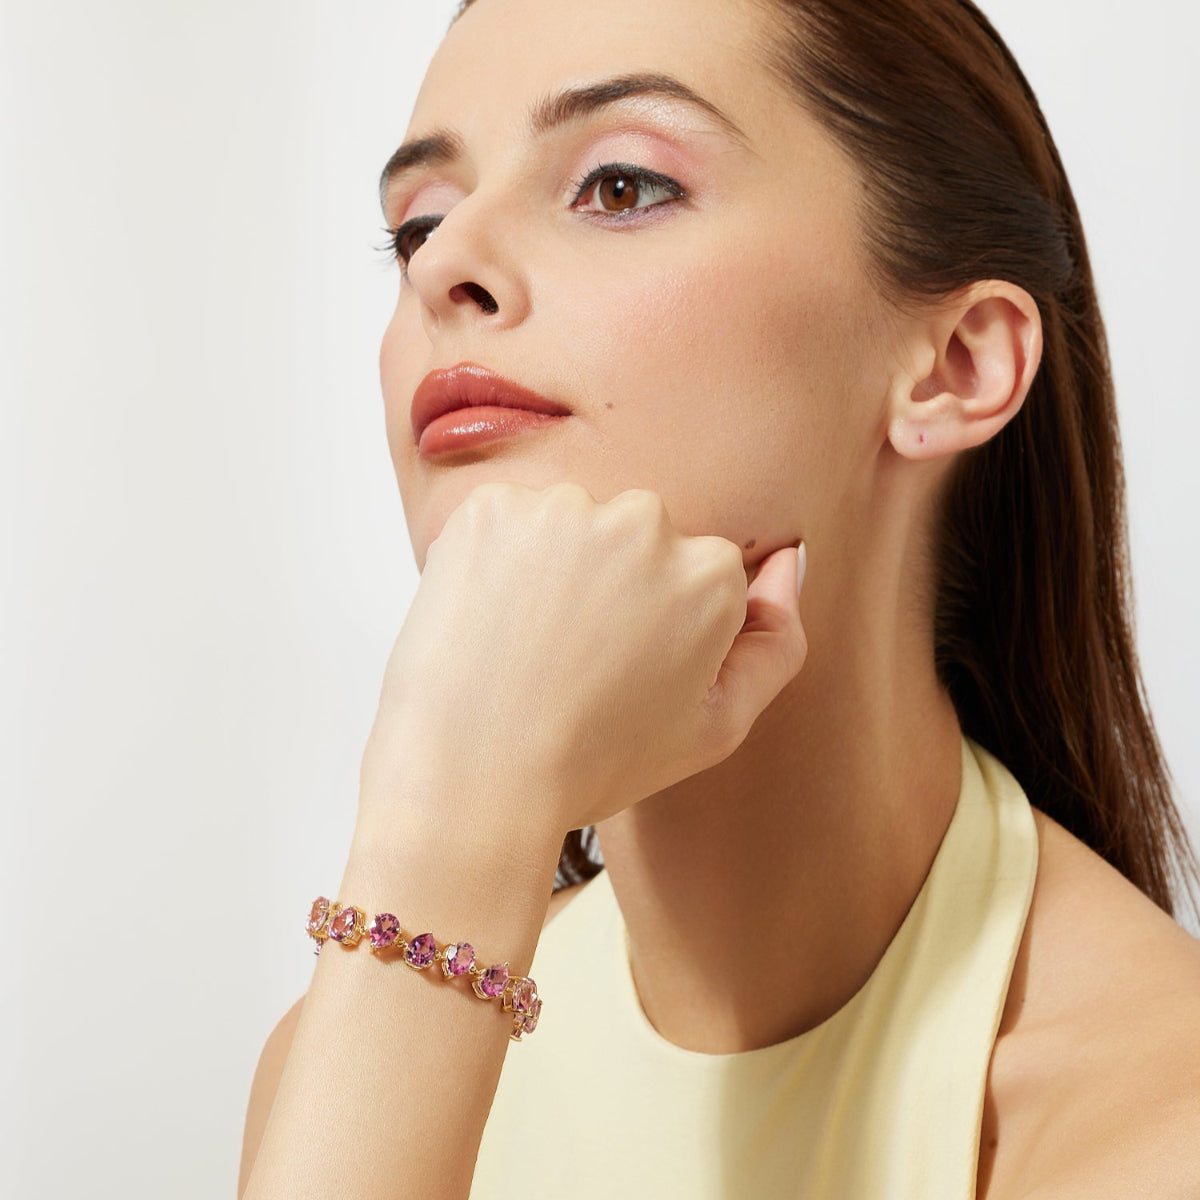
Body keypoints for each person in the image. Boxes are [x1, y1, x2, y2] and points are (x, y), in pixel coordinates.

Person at [238, 0, 1200, 1196]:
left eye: (623, 186)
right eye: (418, 222)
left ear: (957, 364)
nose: (442, 264)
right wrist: (449, 825)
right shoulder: (345, 1053)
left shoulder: (1156, 1129)